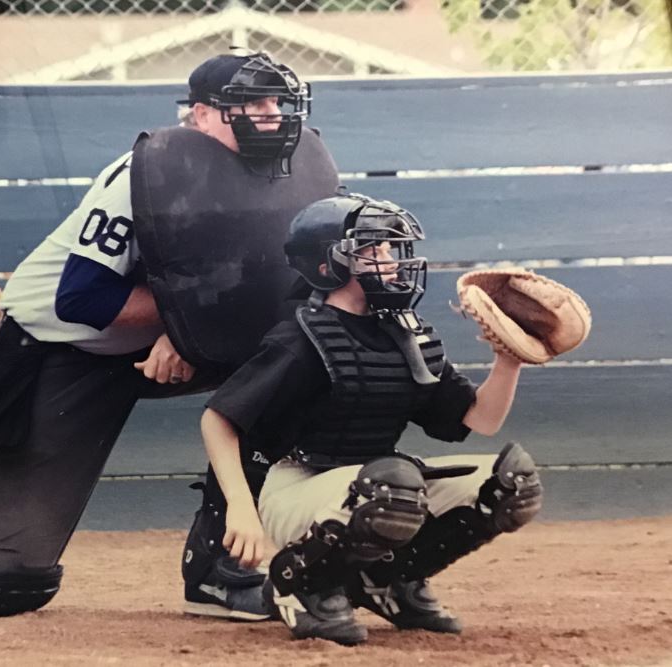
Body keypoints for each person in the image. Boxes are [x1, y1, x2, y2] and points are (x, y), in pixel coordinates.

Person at [0, 52, 340, 624]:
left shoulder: (289, 177)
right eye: (251, 103)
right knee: (11, 579)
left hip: (170, 345)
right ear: (200, 116)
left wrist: (193, 335)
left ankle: (219, 571)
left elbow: (288, 293)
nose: (271, 115)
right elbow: (84, 298)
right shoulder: (144, 176)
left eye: (277, 102)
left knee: (300, 362)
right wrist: (183, 324)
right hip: (61, 349)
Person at [199, 194, 544, 645]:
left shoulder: (405, 332)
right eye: (374, 250)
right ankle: (301, 585)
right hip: (299, 487)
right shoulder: (301, 337)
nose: (393, 261)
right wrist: (241, 508)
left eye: (391, 249)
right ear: (329, 265)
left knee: (511, 484)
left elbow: (481, 419)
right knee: (394, 484)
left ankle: (390, 582)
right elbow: (217, 419)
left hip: (371, 484)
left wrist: (508, 360)